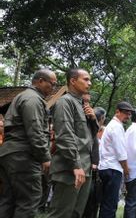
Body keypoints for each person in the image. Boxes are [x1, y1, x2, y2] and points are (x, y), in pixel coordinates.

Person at [0, 69, 57, 217]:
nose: (53, 88)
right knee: (29, 200)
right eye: (52, 84)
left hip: (10, 154)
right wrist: (45, 157)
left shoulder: (23, 97)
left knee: (9, 200)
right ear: (40, 81)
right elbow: (35, 130)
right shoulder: (33, 99)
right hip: (23, 156)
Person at [48, 68, 96, 217]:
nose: (90, 83)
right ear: (73, 81)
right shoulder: (65, 102)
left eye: (90, 80)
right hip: (70, 169)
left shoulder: (82, 105)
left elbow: (89, 138)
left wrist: (93, 120)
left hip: (85, 168)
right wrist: (76, 165)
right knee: (62, 213)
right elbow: (65, 135)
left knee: (76, 213)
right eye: (86, 79)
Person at [98, 101, 134, 218]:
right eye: (125, 113)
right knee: (110, 204)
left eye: (129, 114)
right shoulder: (116, 127)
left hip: (107, 167)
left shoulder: (112, 126)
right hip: (112, 168)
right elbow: (121, 152)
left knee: (107, 202)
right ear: (117, 111)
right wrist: (126, 169)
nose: (128, 116)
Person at [83, 106, 107, 218]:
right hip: (90, 169)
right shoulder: (93, 133)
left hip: (91, 169)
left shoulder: (91, 131)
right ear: (101, 119)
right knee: (90, 201)